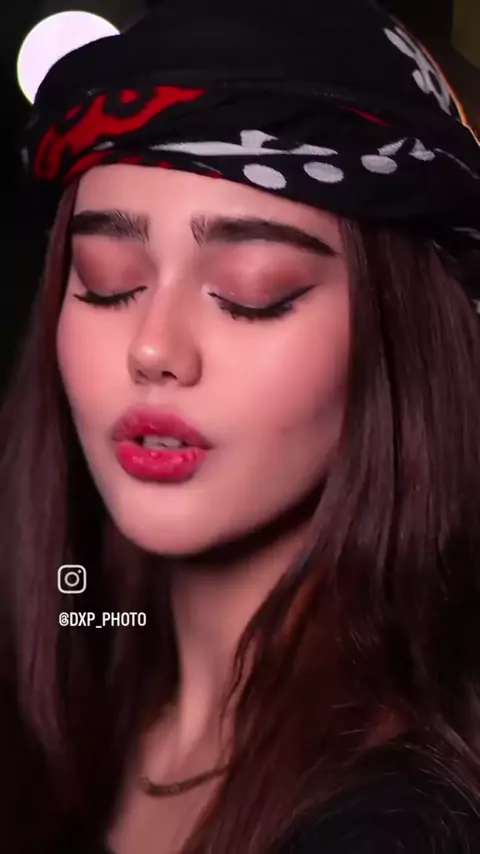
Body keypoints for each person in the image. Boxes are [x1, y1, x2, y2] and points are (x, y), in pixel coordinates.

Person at [2, 0, 480, 852]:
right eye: (108, 280)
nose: (154, 348)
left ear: (398, 337)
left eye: (251, 292)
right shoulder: (55, 721)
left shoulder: (404, 825)